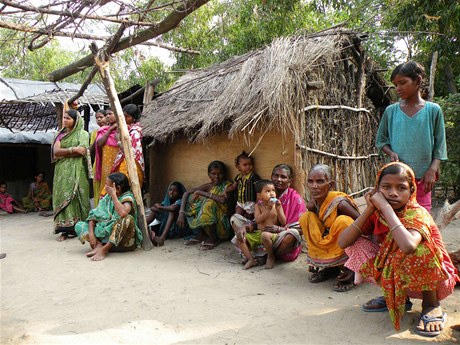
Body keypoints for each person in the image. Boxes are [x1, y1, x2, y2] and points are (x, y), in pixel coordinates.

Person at [338, 162, 459, 336]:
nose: (393, 193)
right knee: (357, 243)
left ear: (411, 191)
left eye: (401, 188)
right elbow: (343, 242)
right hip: (400, 277)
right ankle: (399, 297)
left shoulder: (417, 214)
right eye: (386, 187)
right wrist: (370, 208)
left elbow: (408, 246)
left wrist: (386, 207)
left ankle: (431, 305)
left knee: (419, 250)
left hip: (437, 280)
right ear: (377, 190)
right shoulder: (377, 213)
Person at [375, 61, 447, 213]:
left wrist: (432, 170)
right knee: (396, 218)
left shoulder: (433, 110)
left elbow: (440, 144)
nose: (398, 88)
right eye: (395, 84)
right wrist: (390, 152)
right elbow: (381, 140)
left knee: (421, 217)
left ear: (418, 81)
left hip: (423, 178)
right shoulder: (391, 111)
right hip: (397, 179)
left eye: (402, 82)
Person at [300, 164, 360, 291]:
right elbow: (320, 232)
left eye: (320, 181)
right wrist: (315, 256)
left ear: (331, 185)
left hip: (352, 244)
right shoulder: (312, 205)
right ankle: (329, 267)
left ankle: (351, 271)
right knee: (306, 218)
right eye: (311, 181)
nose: (314, 186)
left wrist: (358, 264)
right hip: (332, 243)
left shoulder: (341, 204)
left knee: (343, 222)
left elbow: (363, 227)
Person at [234, 164, 307, 265]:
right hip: (260, 233)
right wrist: (246, 227)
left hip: (279, 237)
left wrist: (279, 229)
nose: (278, 179)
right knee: (235, 219)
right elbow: (257, 220)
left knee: (293, 235)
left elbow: (301, 229)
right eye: (276, 175)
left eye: (283, 177)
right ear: (271, 177)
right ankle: (256, 255)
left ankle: (265, 256)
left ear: (290, 181)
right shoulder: (263, 196)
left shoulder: (296, 199)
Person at [75, 172, 143, 261]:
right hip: (104, 236)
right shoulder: (107, 197)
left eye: (108, 186)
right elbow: (93, 216)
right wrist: (91, 235)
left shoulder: (127, 198)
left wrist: (114, 196)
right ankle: (98, 245)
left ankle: (104, 249)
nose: (105, 188)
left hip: (122, 241)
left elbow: (123, 213)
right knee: (79, 225)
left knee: (127, 219)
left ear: (117, 188)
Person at [52, 109, 91, 242]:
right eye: (64, 118)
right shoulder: (60, 135)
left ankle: (80, 228)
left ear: (76, 120)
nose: (65, 120)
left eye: (68, 118)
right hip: (62, 171)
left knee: (77, 197)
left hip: (78, 170)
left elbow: (82, 150)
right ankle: (64, 230)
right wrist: (73, 149)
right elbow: (56, 151)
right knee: (63, 196)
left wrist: (66, 152)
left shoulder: (83, 134)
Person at [177, 160, 232, 250]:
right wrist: (181, 212)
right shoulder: (208, 186)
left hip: (223, 226)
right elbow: (187, 193)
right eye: (213, 174)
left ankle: (213, 237)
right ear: (209, 174)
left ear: (224, 174)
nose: (217, 176)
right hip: (208, 226)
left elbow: (222, 200)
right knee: (191, 201)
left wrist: (201, 193)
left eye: (220, 173)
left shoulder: (227, 186)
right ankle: (201, 234)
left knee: (208, 203)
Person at [236, 180, 286, 269]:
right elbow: (258, 220)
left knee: (264, 235)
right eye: (267, 191)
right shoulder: (258, 206)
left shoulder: (277, 205)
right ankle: (251, 259)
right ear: (259, 196)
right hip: (258, 233)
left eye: (273, 190)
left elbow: (283, 222)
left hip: (271, 235)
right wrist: (268, 210)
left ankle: (271, 256)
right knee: (239, 238)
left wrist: (279, 209)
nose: (272, 193)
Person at [110, 104, 144, 188]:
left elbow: (130, 151)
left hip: (131, 164)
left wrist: (118, 140)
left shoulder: (135, 131)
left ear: (134, 118)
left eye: (127, 116)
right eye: (123, 116)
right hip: (124, 162)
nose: (124, 118)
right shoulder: (125, 128)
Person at [146, 181, 190, 246]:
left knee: (171, 212)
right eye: (170, 190)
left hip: (179, 227)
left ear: (180, 194)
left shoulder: (180, 200)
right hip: (170, 226)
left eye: (175, 191)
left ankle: (162, 238)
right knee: (155, 212)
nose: (171, 192)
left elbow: (172, 208)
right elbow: (153, 208)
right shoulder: (167, 201)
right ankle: (141, 228)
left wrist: (160, 207)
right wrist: (160, 207)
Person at [93, 108, 118, 206]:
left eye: (110, 114)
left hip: (119, 163)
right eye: (106, 114)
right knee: (107, 185)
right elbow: (99, 144)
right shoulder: (103, 130)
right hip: (106, 166)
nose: (108, 116)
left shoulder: (124, 129)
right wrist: (110, 130)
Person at [226, 151, 261, 222]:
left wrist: (258, 201)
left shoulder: (253, 177)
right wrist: (226, 190)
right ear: (238, 167)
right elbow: (233, 186)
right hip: (240, 202)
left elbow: (258, 189)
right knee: (237, 216)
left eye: (250, 164)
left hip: (250, 203)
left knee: (249, 218)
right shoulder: (238, 177)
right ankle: (237, 230)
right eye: (245, 165)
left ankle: (247, 230)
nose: (248, 167)